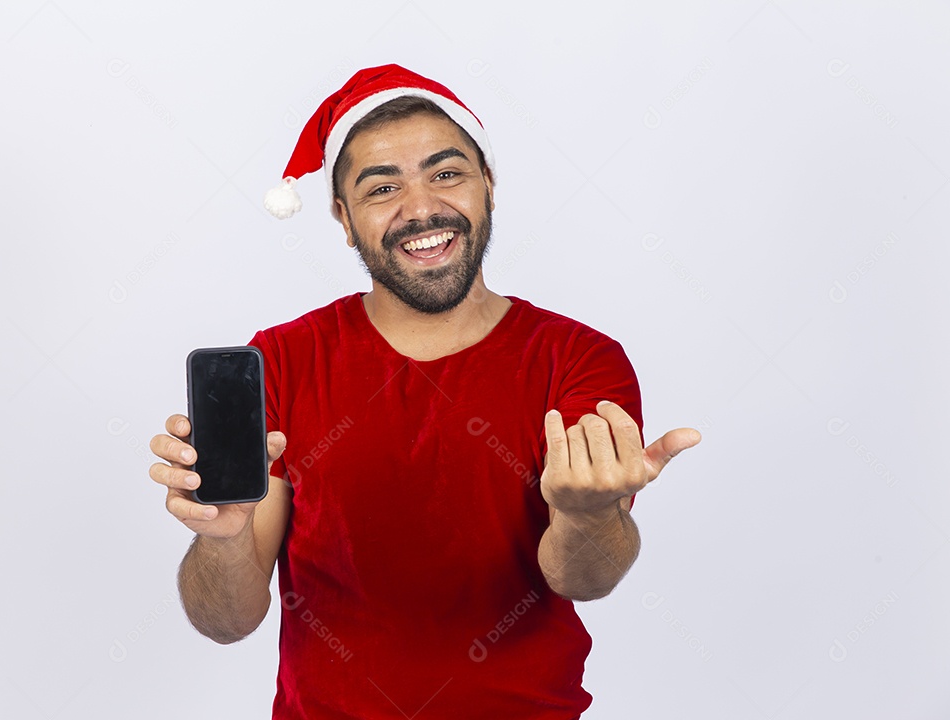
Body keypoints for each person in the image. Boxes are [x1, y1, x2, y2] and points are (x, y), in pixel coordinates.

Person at [149, 64, 701, 719]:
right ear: (343, 218)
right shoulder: (281, 359)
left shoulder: (579, 360)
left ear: (488, 188)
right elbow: (226, 621)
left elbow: (585, 578)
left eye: (446, 174)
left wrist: (587, 514)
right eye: (382, 187)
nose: (422, 209)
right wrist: (223, 535)